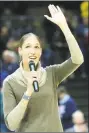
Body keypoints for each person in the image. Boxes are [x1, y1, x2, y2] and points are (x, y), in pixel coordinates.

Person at [2, 5, 84, 132]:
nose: (33, 51)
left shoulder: (52, 73)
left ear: (40, 51)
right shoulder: (10, 82)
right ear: (20, 51)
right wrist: (28, 92)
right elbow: (11, 124)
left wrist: (64, 27)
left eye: (36, 47)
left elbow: (78, 59)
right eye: (28, 46)